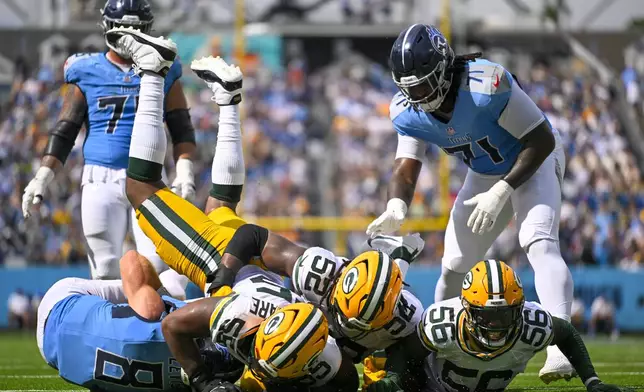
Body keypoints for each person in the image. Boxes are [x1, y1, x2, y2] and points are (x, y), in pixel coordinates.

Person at [366, 23, 574, 382]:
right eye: (410, 87)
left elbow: (540, 139)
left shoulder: (485, 86)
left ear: (444, 68)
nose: (419, 95)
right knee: (454, 264)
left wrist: (503, 190)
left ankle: (561, 348)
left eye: (425, 83)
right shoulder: (406, 110)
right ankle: (435, 352)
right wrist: (396, 205)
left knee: (538, 243)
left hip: (533, 158)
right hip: (485, 171)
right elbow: (406, 165)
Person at [21, 0, 196, 294]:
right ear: (108, 29)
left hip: (150, 178)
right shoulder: (87, 69)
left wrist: (186, 172)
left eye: (137, 30)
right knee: (104, 271)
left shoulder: (164, 67)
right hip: (101, 177)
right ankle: (113, 337)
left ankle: (157, 335)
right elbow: (66, 129)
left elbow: (182, 128)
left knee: (158, 265)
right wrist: (42, 176)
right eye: (124, 30)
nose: (130, 38)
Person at [367, 260, 628, 392]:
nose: (495, 325)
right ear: (467, 309)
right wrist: (393, 378)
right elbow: (407, 352)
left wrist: (592, 381)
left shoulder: (532, 324)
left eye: (505, 314)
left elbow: (566, 333)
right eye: (486, 316)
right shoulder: (442, 323)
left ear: (519, 308)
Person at [36, 251, 241, 391]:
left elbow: (130, 259)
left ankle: (169, 290)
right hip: (53, 354)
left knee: (166, 299)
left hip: (61, 305)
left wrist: (158, 295)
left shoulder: (152, 319)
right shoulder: (179, 385)